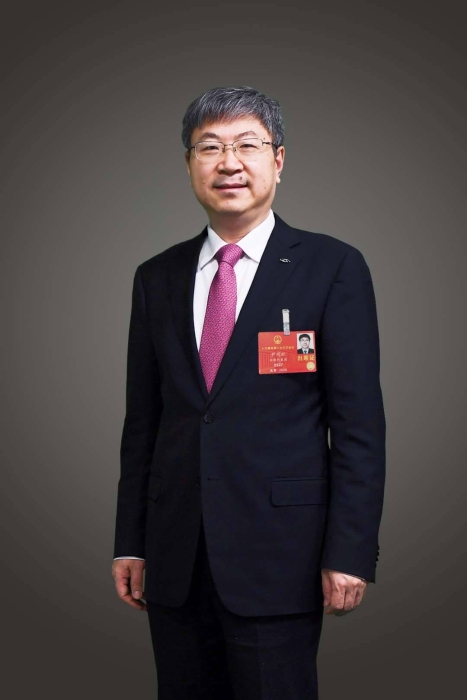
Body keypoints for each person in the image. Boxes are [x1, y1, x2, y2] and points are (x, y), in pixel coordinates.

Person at [112, 86, 385, 700]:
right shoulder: (156, 276)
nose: (228, 162)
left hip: (281, 557)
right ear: (189, 165)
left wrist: (350, 550)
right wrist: (130, 541)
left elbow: (359, 425)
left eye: (247, 145)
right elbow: (143, 423)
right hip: (175, 556)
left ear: (278, 160)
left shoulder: (332, 267)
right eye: (209, 147)